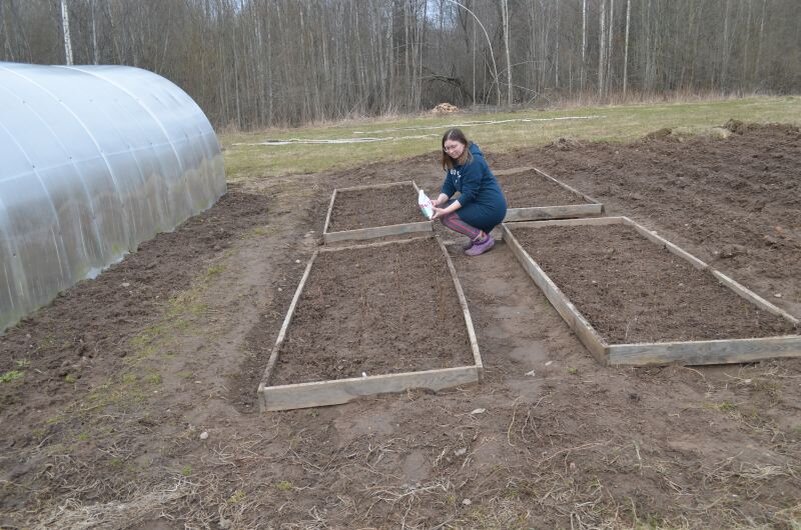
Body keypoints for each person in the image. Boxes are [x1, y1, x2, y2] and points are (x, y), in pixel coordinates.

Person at [430, 128, 507, 256]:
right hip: (477, 204)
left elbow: (469, 194)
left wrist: (446, 210)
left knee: (447, 216)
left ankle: (482, 240)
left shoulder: (474, 162)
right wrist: (439, 201)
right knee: (443, 207)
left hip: (491, 208)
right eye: (447, 148)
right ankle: (477, 236)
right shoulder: (455, 160)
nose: (450, 151)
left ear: (463, 143)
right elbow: (449, 185)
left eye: (454, 146)